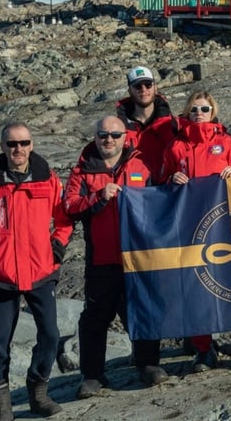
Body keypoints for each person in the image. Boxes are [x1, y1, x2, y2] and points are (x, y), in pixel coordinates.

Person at [0, 122, 72, 420]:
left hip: (41, 273)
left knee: (50, 336)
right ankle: (3, 409)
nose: (18, 149)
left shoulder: (48, 178)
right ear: (2, 147)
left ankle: (38, 393)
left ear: (32, 144)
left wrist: (56, 249)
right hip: (4, 278)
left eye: (24, 143)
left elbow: (64, 220)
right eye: (12, 144)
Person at [160, 91, 231, 368]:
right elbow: (160, 185)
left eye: (205, 109)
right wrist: (171, 178)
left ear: (213, 112)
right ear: (187, 112)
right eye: (194, 109)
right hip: (192, 227)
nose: (199, 114)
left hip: (229, 226)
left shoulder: (228, 143)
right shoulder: (175, 147)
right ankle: (204, 349)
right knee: (197, 288)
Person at [64, 116, 164, 396]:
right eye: (103, 135)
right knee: (96, 317)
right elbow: (69, 206)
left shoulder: (141, 166)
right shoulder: (82, 171)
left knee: (142, 310)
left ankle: (148, 364)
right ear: (95, 137)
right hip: (102, 258)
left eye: (115, 135)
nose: (109, 140)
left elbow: (159, 202)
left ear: (125, 137)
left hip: (138, 256)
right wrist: (99, 196)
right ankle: (92, 376)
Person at [116, 65, 178, 176]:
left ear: (155, 88)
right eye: (137, 86)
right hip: (135, 183)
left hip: (169, 182)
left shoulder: (173, 124)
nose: (143, 90)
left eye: (148, 85)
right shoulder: (119, 129)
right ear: (130, 91)